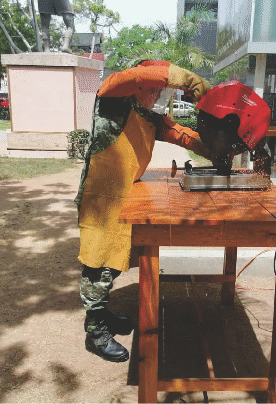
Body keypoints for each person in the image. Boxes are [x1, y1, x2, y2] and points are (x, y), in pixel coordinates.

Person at [76, 60, 214, 362]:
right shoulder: (112, 98)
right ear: (138, 86)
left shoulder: (149, 117)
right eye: (152, 89)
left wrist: (218, 146)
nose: (155, 95)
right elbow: (135, 75)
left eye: (159, 91)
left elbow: (183, 135)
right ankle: (95, 333)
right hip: (101, 199)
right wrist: (191, 82)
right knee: (98, 265)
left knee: (113, 262)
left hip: (125, 196)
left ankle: (102, 315)